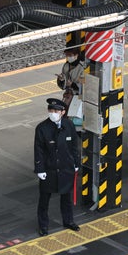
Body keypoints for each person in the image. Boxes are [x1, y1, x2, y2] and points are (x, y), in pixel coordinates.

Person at [34, 99, 81, 236]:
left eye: (55, 111)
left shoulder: (69, 125)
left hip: (66, 168)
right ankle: (43, 226)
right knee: (44, 199)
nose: (52, 113)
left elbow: (74, 146)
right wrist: (40, 169)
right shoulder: (42, 128)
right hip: (49, 169)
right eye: (51, 111)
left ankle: (68, 221)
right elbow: (39, 150)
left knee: (66, 197)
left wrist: (76, 163)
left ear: (63, 112)